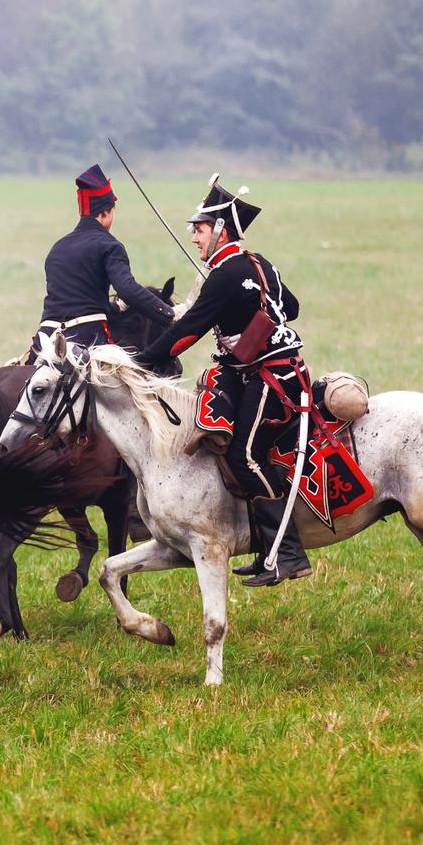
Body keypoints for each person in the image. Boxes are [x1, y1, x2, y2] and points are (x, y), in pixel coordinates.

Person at [136, 176, 312, 586]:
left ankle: (287, 553)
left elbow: (187, 333)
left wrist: (140, 362)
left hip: (273, 375)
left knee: (243, 458)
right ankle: (266, 549)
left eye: (199, 229)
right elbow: (293, 307)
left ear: (221, 231)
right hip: (274, 368)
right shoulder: (258, 263)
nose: (194, 237)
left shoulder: (225, 274)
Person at [30, 163, 175, 356]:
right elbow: (127, 290)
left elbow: (75, 298)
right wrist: (168, 313)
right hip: (87, 337)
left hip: (46, 340)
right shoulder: (110, 246)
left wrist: (113, 307)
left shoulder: (57, 248)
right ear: (106, 212)